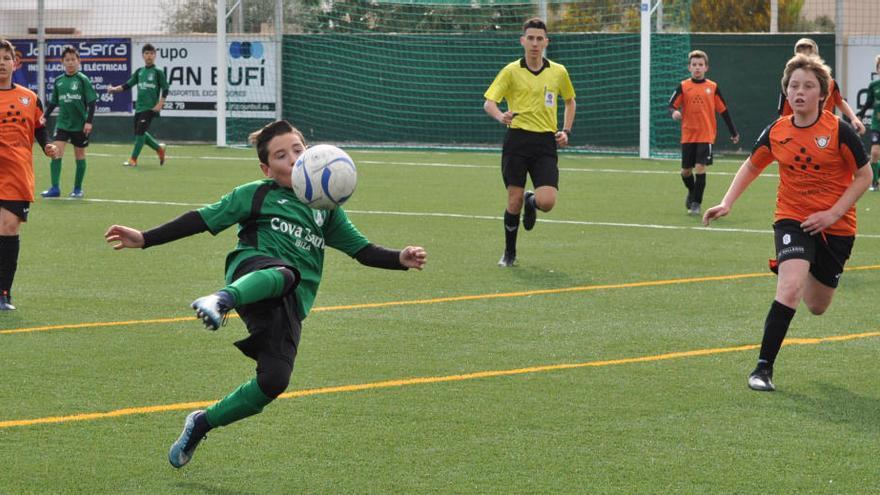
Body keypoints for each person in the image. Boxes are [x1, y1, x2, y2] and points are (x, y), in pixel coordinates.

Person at [104, 120, 427, 468]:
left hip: (288, 302)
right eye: (281, 155)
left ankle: (202, 423)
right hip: (250, 271)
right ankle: (220, 301)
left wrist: (399, 258)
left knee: (274, 381)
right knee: (284, 272)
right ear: (266, 168)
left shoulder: (325, 208)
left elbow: (362, 250)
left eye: (298, 150)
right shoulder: (256, 193)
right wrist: (146, 238)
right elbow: (203, 218)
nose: (293, 159)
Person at [703, 53, 871, 392]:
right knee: (790, 288)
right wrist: (726, 201)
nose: (800, 91)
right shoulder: (776, 132)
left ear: (822, 94)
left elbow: (864, 176)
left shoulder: (837, 131)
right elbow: (752, 166)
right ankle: (763, 368)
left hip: (835, 226)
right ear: (786, 91)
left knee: (817, 305)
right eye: (794, 85)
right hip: (792, 218)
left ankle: (801, 263)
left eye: (808, 86)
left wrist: (832, 213)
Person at [483, 17, 576, 267]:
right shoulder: (511, 70)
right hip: (517, 140)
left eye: (539, 39)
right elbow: (489, 102)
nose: (535, 43)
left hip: (545, 142)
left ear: (546, 42)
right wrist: (500, 115)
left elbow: (570, 100)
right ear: (522, 41)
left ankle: (531, 201)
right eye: (531, 38)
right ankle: (510, 253)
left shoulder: (558, 71)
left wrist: (566, 130)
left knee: (547, 202)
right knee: (513, 200)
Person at [0, 39, 58, 311]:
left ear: (15, 62)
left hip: (16, 174)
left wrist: (46, 144)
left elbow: (39, 127)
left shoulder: (29, 98)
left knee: (8, 228)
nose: (1, 62)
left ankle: (3, 293)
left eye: (6, 57)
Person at [668, 50, 739, 216]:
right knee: (686, 171)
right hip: (688, 135)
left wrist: (733, 131)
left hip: (706, 135)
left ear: (706, 67)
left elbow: (723, 110)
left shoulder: (712, 87)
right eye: (694, 65)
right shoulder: (684, 86)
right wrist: (673, 112)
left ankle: (696, 203)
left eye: (700, 65)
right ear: (689, 67)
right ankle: (692, 192)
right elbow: (671, 105)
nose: (697, 68)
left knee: (700, 167)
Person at [40, 46, 98, 198]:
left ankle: (78, 189)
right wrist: (45, 116)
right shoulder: (59, 81)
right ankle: (54, 188)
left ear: (79, 61)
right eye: (67, 60)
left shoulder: (83, 80)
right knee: (55, 153)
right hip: (63, 124)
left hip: (80, 124)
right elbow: (53, 102)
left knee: (79, 156)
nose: (71, 62)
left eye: (73, 59)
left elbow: (92, 102)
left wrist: (89, 122)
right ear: (62, 62)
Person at [777, 38, 866, 136]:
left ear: (816, 57)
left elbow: (839, 101)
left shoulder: (829, 82)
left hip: (826, 132)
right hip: (800, 134)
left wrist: (854, 118)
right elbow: (783, 116)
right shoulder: (791, 86)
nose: (806, 58)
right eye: (801, 54)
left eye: (809, 53)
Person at [106, 43, 168, 167]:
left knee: (140, 133)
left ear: (155, 56)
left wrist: (160, 104)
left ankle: (133, 160)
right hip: (139, 108)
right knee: (140, 133)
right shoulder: (139, 72)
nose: (149, 56)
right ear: (143, 56)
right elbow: (127, 85)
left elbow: (165, 89)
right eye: (146, 53)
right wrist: (113, 89)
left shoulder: (158, 72)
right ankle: (159, 148)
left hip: (150, 108)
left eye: (151, 53)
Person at [855, 54, 880, 191]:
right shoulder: (874, 85)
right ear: (877, 70)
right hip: (877, 124)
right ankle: (874, 183)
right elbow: (869, 102)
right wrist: (860, 115)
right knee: (875, 152)